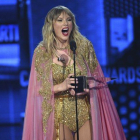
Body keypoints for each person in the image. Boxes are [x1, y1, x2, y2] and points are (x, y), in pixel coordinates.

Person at [22, 5, 126, 140]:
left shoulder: (84, 46)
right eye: (60, 20)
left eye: (69, 19)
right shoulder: (42, 52)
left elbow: (97, 80)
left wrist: (87, 88)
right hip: (58, 115)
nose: (65, 23)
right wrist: (62, 86)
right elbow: (36, 89)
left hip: (84, 112)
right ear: (51, 25)